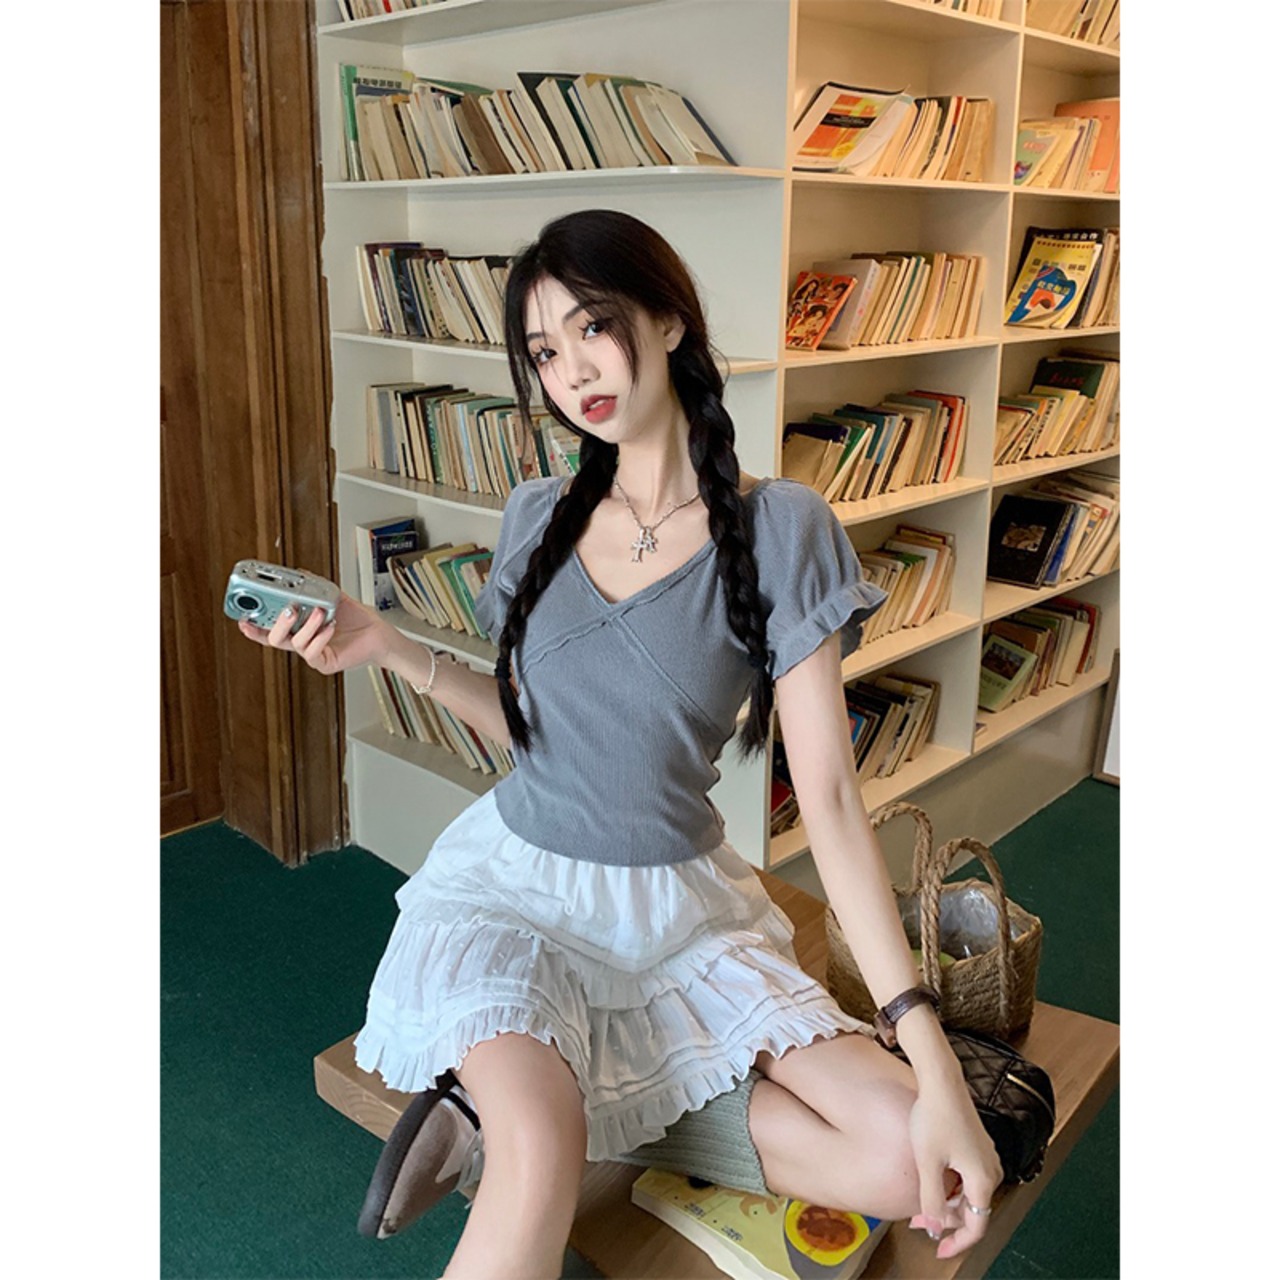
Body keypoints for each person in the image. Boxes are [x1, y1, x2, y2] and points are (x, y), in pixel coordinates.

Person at [238, 208, 1001, 1279]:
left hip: (674, 912)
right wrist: (388, 647)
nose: (572, 372)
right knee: (538, 1152)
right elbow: (539, 739)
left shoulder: (781, 529)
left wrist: (933, 1060)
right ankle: (534, 1103)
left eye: (592, 326)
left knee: (902, 1162)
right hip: (515, 894)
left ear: (670, 320)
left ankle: (541, 1092)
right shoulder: (535, 515)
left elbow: (829, 804)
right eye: (543, 351)